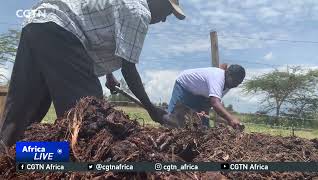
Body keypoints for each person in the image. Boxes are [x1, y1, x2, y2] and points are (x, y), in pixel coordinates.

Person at [0, 0, 185, 147]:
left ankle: (9, 156)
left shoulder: (125, 4)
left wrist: (109, 75)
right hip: (61, 27)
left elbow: (94, 32)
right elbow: (129, 69)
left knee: (24, 108)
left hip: (38, 21)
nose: (163, 20)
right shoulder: (139, 11)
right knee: (89, 117)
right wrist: (153, 111)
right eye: (167, 13)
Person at [167, 64, 246, 129]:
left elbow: (209, 102)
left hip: (200, 93)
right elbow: (215, 103)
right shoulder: (218, 77)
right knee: (174, 119)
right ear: (227, 74)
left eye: (238, 83)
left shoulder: (229, 84)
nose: (236, 85)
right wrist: (231, 119)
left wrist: (203, 111)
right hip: (184, 85)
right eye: (235, 81)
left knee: (203, 125)